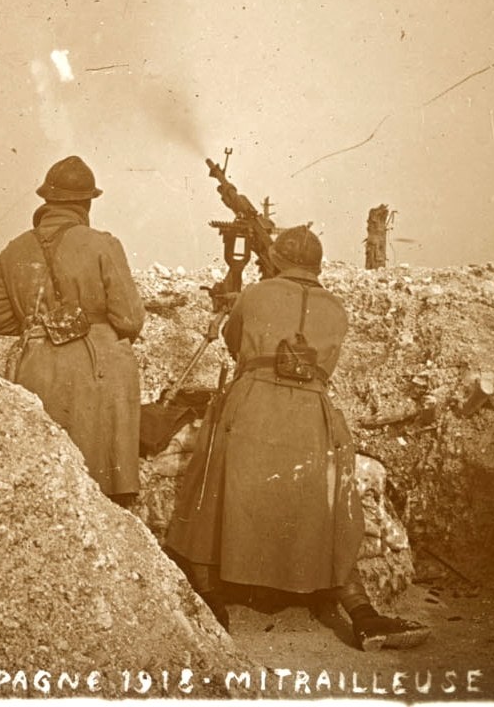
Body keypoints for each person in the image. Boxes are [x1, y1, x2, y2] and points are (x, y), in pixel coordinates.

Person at [165, 225, 430, 650]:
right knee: (326, 511)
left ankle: (212, 599)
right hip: (311, 411)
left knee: (209, 485)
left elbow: (234, 345)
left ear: (278, 259)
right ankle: (363, 614)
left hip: (252, 402)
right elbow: (328, 366)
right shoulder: (337, 308)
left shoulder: (255, 293)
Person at [0, 156, 145, 505]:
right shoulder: (103, 243)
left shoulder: (13, 250)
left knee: (43, 484)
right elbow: (130, 319)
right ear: (86, 203)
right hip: (98, 373)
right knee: (103, 489)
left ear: (47, 200)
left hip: (36, 367)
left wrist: (41, 326)